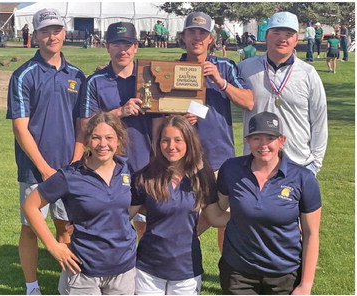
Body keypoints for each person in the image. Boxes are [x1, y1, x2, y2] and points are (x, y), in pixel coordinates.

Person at [6, 8, 85, 295]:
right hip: (34, 168)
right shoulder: (24, 74)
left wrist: (75, 162)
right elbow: (20, 128)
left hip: (68, 168)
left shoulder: (77, 74)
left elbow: (82, 125)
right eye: (45, 31)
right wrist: (44, 168)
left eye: (56, 30)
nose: (52, 36)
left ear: (65, 33)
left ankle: (68, 284)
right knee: (30, 227)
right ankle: (31, 286)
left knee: (66, 228)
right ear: (35, 36)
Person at [22, 112, 137, 295]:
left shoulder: (127, 169)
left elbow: (133, 206)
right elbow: (30, 205)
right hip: (82, 270)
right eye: (96, 138)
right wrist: (53, 246)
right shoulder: (70, 176)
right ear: (88, 140)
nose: (103, 144)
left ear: (119, 140)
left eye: (109, 138)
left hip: (123, 269)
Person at [217, 111, 322, 295]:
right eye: (256, 138)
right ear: (248, 140)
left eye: (270, 138)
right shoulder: (231, 169)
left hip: (284, 275)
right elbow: (216, 210)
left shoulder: (303, 178)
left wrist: (306, 285)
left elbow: (311, 234)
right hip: (238, 274)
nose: (263, 145)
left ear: (282, 140)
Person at [178, 11, 253, 253]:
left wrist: (221, 81)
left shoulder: (225, 66)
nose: (197, 37)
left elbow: (249, 101)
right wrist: (178, 118)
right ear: (183, 36)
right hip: (183, 159)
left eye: (203, 32)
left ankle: (226, 270)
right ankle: (187, 271)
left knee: (224, 219)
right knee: (186, 216)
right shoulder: (172, 68)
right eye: (192, 31)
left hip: (220, 157)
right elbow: (157, 108)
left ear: (211, 38)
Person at [130, 115, 229, 295]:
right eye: (165, 140)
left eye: (178, 140)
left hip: (187, 268)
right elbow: (120, 216)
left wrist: (251, 216)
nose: (171, 146)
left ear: (189, 142)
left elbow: (215, 217)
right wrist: (86, 224)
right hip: (149, 268)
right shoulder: (145, 177)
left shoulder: (202, 177)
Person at [76, 21, 153, 240]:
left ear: (136, 47)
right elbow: (85, 125)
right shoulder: (95, 81)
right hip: (108, 165)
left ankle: (142, 271)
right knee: (109, 221)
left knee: (147, 224)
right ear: (107, 47)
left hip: (147, 161)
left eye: (128, 44)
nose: (123, 50)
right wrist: (120, 112)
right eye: (117, 44)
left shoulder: (150, 76)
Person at [237, 11, 328, 176]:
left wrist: (315, 163)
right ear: (266, 36)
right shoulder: (246, 68)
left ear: (296, 39)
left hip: (298, 162)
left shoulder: (308, 73)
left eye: (288, 34)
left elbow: (319, 120)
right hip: (256, 163)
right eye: (276, 33)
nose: (282, 38)